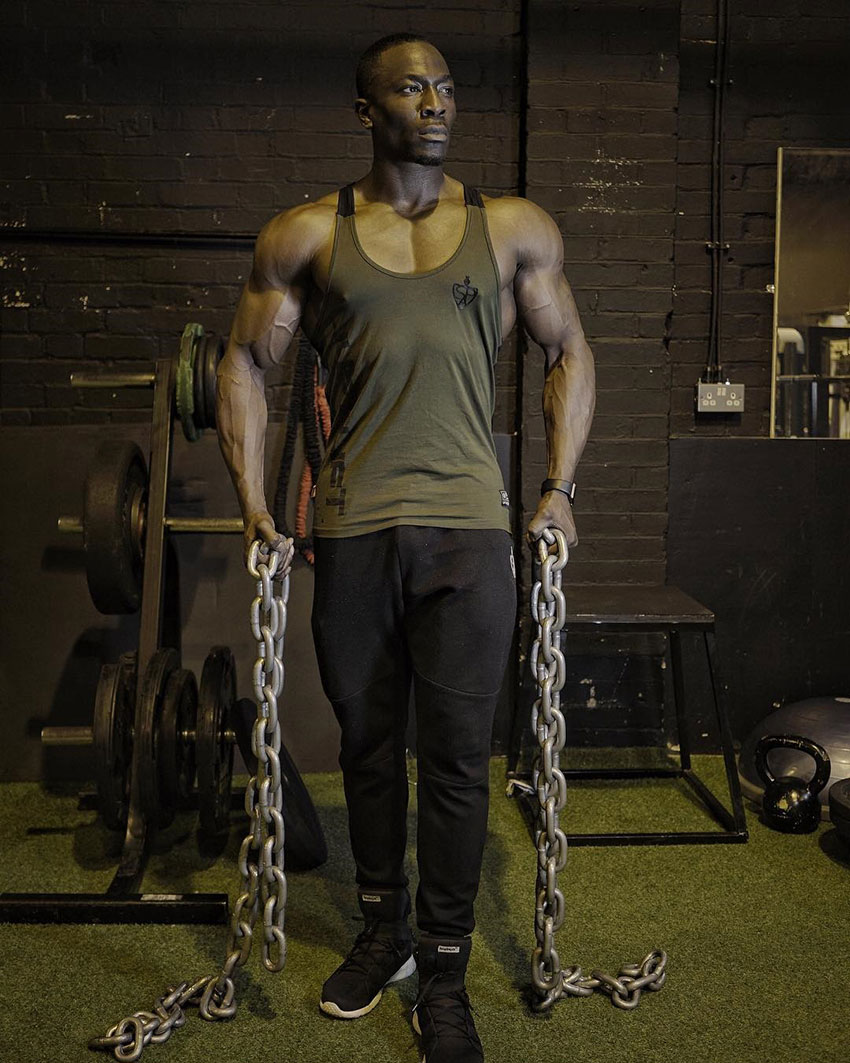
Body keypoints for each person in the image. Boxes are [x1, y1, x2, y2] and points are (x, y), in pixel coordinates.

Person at [217, 33, 595, 1063]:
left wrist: (557, 488)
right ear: (365, 109)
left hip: (472, 528)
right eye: (411, 87)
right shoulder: (307, 234)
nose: (436, 102)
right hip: (349, 528)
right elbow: (246, 361)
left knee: (461, 759)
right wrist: (252, 499)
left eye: (446, 87)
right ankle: (381, 927)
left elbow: (567, 351)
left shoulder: (511, 226)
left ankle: (441, 970)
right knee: (369, 749)